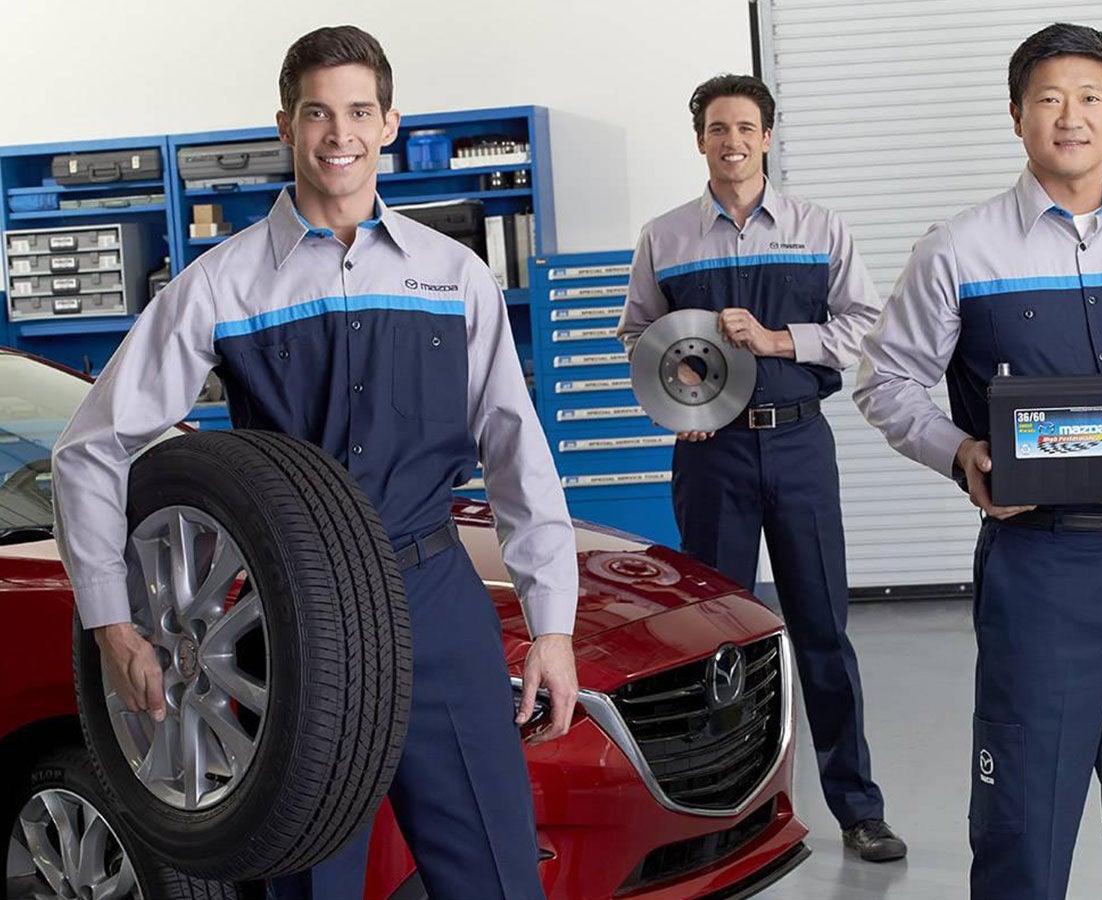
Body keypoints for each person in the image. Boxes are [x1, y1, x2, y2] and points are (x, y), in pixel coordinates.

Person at [51, 25, 579, 900]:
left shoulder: (455, 277)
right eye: (318, 113)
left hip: (435, 600)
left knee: (497, 876)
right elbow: (91, 445)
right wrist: (112, 623)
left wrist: (551, 626)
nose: (340, 133)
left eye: (359, 112)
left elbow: (520, 454)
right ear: (287, 126)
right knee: (308, 890)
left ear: (391, 124)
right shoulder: (223, 285)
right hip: (299, 621)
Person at [855, 22, 1102, 899]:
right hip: (1038, 568)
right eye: (1049, 98)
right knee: (1022, 823)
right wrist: (961, 451)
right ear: (1016, 115)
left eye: (1090, 97)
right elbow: (886, 380)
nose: (1070, 116)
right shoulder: (960, 251)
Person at [617, 73, 906, 862]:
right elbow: (636, 338)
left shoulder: (821, 229)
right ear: (700, 139)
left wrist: (779, 340)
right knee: (710, 645)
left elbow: (867, 328)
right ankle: (715, 821)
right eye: (717, 129)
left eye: (746, 128)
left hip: (799, 445)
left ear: (768, 137)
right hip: (711, 456)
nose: (732, 142)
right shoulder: (666, 236)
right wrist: (682, 394)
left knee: (822, 632)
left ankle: (857, 807)